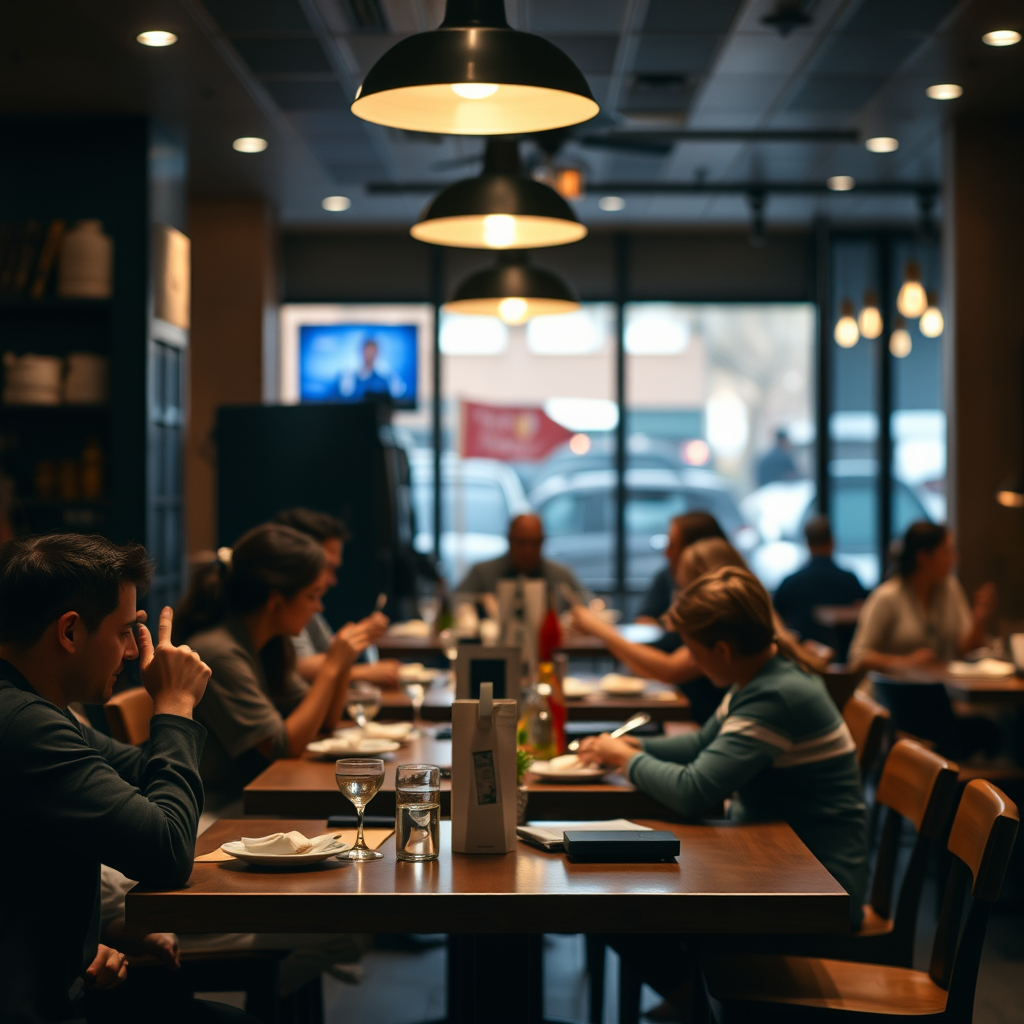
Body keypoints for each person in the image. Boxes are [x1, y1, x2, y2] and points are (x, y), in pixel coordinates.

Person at [578, 567, 868, 1019]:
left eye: (691, 650)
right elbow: (701, 746)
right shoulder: (758, 677)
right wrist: (634, 745)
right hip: (782, 863)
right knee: (622, 905)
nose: (688, 660)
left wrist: (624, 759)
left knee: (620, 913)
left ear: (722, 649)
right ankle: (701, 1004)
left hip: (820, 889)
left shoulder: (777, 696)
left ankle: (705, 1009)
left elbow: (694, 790)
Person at [0, 533, 257, 1024]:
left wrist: (93, 939)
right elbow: (167, 853)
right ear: (70, 632)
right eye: (123, 632)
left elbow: (142, 772)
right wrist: (177, 708)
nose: (132, 654)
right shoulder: (24, 725)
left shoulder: (39, 712)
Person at [176, 523, 376, 807]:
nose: (319, 607)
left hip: (257, 797)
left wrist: (342, 663)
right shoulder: (219, 653)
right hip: (217, 809)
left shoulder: (268, 644)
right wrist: (332, 665)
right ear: (276, 599)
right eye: (312, 596)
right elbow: (284, 746)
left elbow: (323, 721)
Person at [570, 537, 825, 723]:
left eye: (683, 587)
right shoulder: (754, 676)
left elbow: (668, 670)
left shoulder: (760, 689)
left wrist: (601, 630)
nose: (681, 596)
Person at [271, 507, 399, 686]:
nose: (332, 580)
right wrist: (363, 671)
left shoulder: (307, 604)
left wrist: (359, 634)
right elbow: (298, 666)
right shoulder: (282, 602)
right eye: (327, 566)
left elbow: (327, 651)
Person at [848, 521, 995, 671]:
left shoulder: (950, 589)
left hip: (938, 688)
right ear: (923, 557)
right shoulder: (887, 596)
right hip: (890, 691)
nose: (954, 559)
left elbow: (966, 651)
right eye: (947, 552)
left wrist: (978, 620)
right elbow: (858, 657)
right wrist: (903, 662)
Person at [774, 514, 866, 662]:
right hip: (844, 664)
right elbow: (864, 616)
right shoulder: (850, 581)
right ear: (832, 542)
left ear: (807, 544)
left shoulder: (790, 583)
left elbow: (776, 622)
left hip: (802, 661)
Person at [454, 512, 585, 597]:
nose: (527, 551)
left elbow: (589, 609)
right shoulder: (482, 573)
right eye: (521, 542)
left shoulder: (560, 577)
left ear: (542, 542)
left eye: (534, 543)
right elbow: (454, 605)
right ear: (510, 540)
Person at [634, 511, 725, 625]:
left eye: (673, 545)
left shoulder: (723, 594)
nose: (666, 553)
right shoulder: (666, 576)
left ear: (697, 551)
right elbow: (643, 619)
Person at [339, 338, 406, 402]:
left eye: (372, 352)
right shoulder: (349, 376)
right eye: (367, 351)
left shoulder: (387, 376)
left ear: (377, 354)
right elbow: (343, 398)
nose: (369, 355)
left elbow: (399, 396)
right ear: (362, 352)